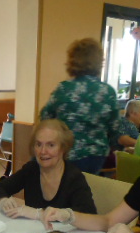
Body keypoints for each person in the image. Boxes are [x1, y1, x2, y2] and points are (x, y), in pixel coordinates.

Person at [40, 38, 120, 174]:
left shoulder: (64, 89)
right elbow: (114, 128)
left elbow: (45, 118)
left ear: (72, 61)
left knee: (65, 185)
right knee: (87, 185)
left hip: (67, 153)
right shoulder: (108, 91)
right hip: (96, 156)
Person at [0, 119, 96, 219]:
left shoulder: (74, 178)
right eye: (38, 144)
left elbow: (88, 214)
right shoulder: (32, 169)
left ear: (63, 148)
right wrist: (2, 201)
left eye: (51, 145)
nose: (43, 151)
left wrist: (38, 214)